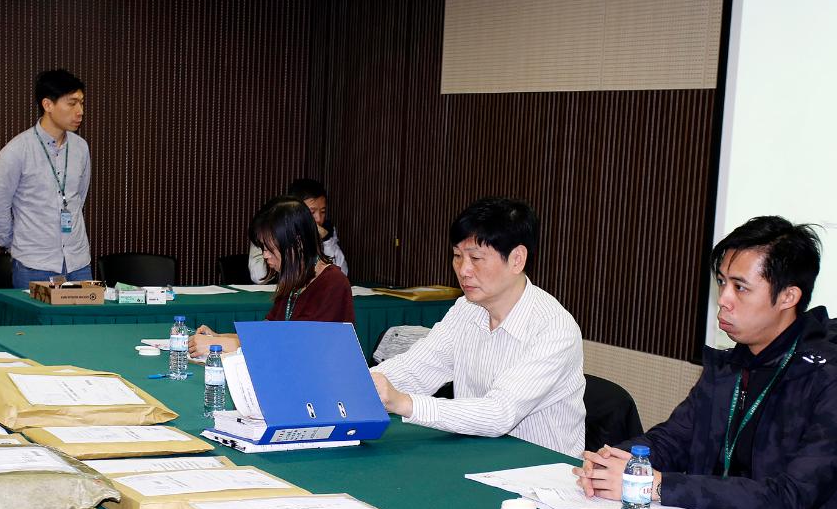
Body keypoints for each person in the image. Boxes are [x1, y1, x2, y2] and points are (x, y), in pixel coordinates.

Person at [575, 217, 837, 509]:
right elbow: (674, 439)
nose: (723, 299)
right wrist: (617, 462)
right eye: (721, 282)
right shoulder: (732, 365)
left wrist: (657, 485)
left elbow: (787, 498)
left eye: (740, 287)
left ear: (788, 296)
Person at [370, 197, 585, 457]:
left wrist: (403, 402)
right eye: (457, 256)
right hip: (476, 457)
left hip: (541, 470)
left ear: (517, 259)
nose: (463, 270)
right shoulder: (466, 309)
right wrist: (360, 384)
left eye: (476, 258)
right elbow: (417, 369)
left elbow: (499, 413)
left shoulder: (554, 328)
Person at [190, 196, 353, 357]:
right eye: (263, 248)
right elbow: (266, 334)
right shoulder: (295, 279)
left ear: (296, 242)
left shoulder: (333, 283)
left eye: (269, 248)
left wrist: (227, 345)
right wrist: (219, 337)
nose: (265, 255)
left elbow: (300, 348)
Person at [0, 69, 91, 288]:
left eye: (81, 103)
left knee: (84, 313)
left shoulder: (81, 148)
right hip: (34, 265)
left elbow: (79, 197)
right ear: (48, 104)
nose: (80, 111)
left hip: (78, 263)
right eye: (72, 103)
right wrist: (16, 245)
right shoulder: (16, 151)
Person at [249, 178, 347, 283]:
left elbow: (341, 274)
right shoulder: (269, 230)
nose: (318, 219)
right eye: (311, 212)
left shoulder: (326, 230)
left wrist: (326, 240)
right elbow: (259, 277)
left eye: (323, 212)